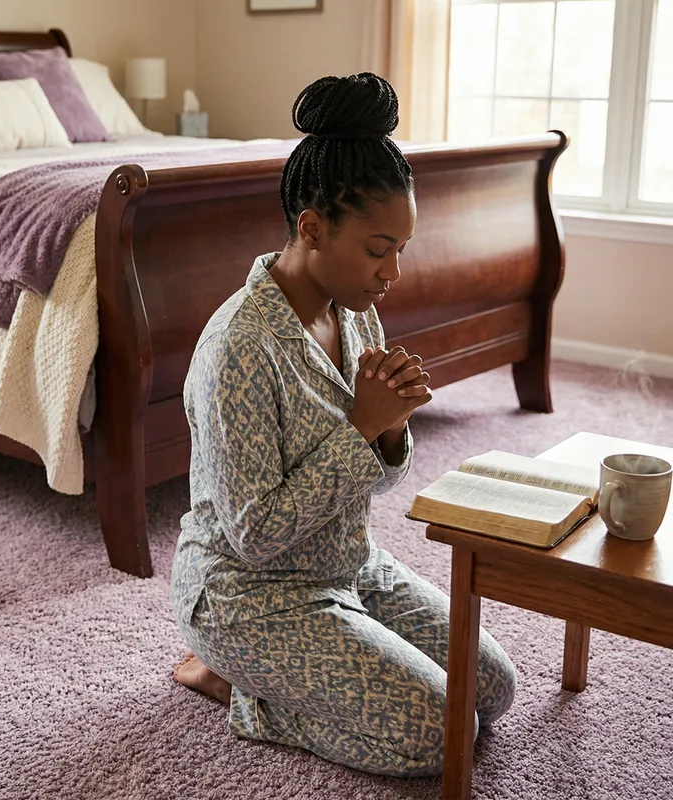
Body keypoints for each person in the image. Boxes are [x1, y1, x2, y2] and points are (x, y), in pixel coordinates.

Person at [170, 73, 516, 777]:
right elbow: (256, 535)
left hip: (351, 563)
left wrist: (390, 432)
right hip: (250, 595)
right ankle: (238, 683)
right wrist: (362, 429)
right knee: (438, 737)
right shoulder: (239, 347)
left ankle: (306, 663)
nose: (392, 271)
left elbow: (375, 479)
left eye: (402, 248)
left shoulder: (354, 307)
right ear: (312, 227)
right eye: (378, 247)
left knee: (493, 689)